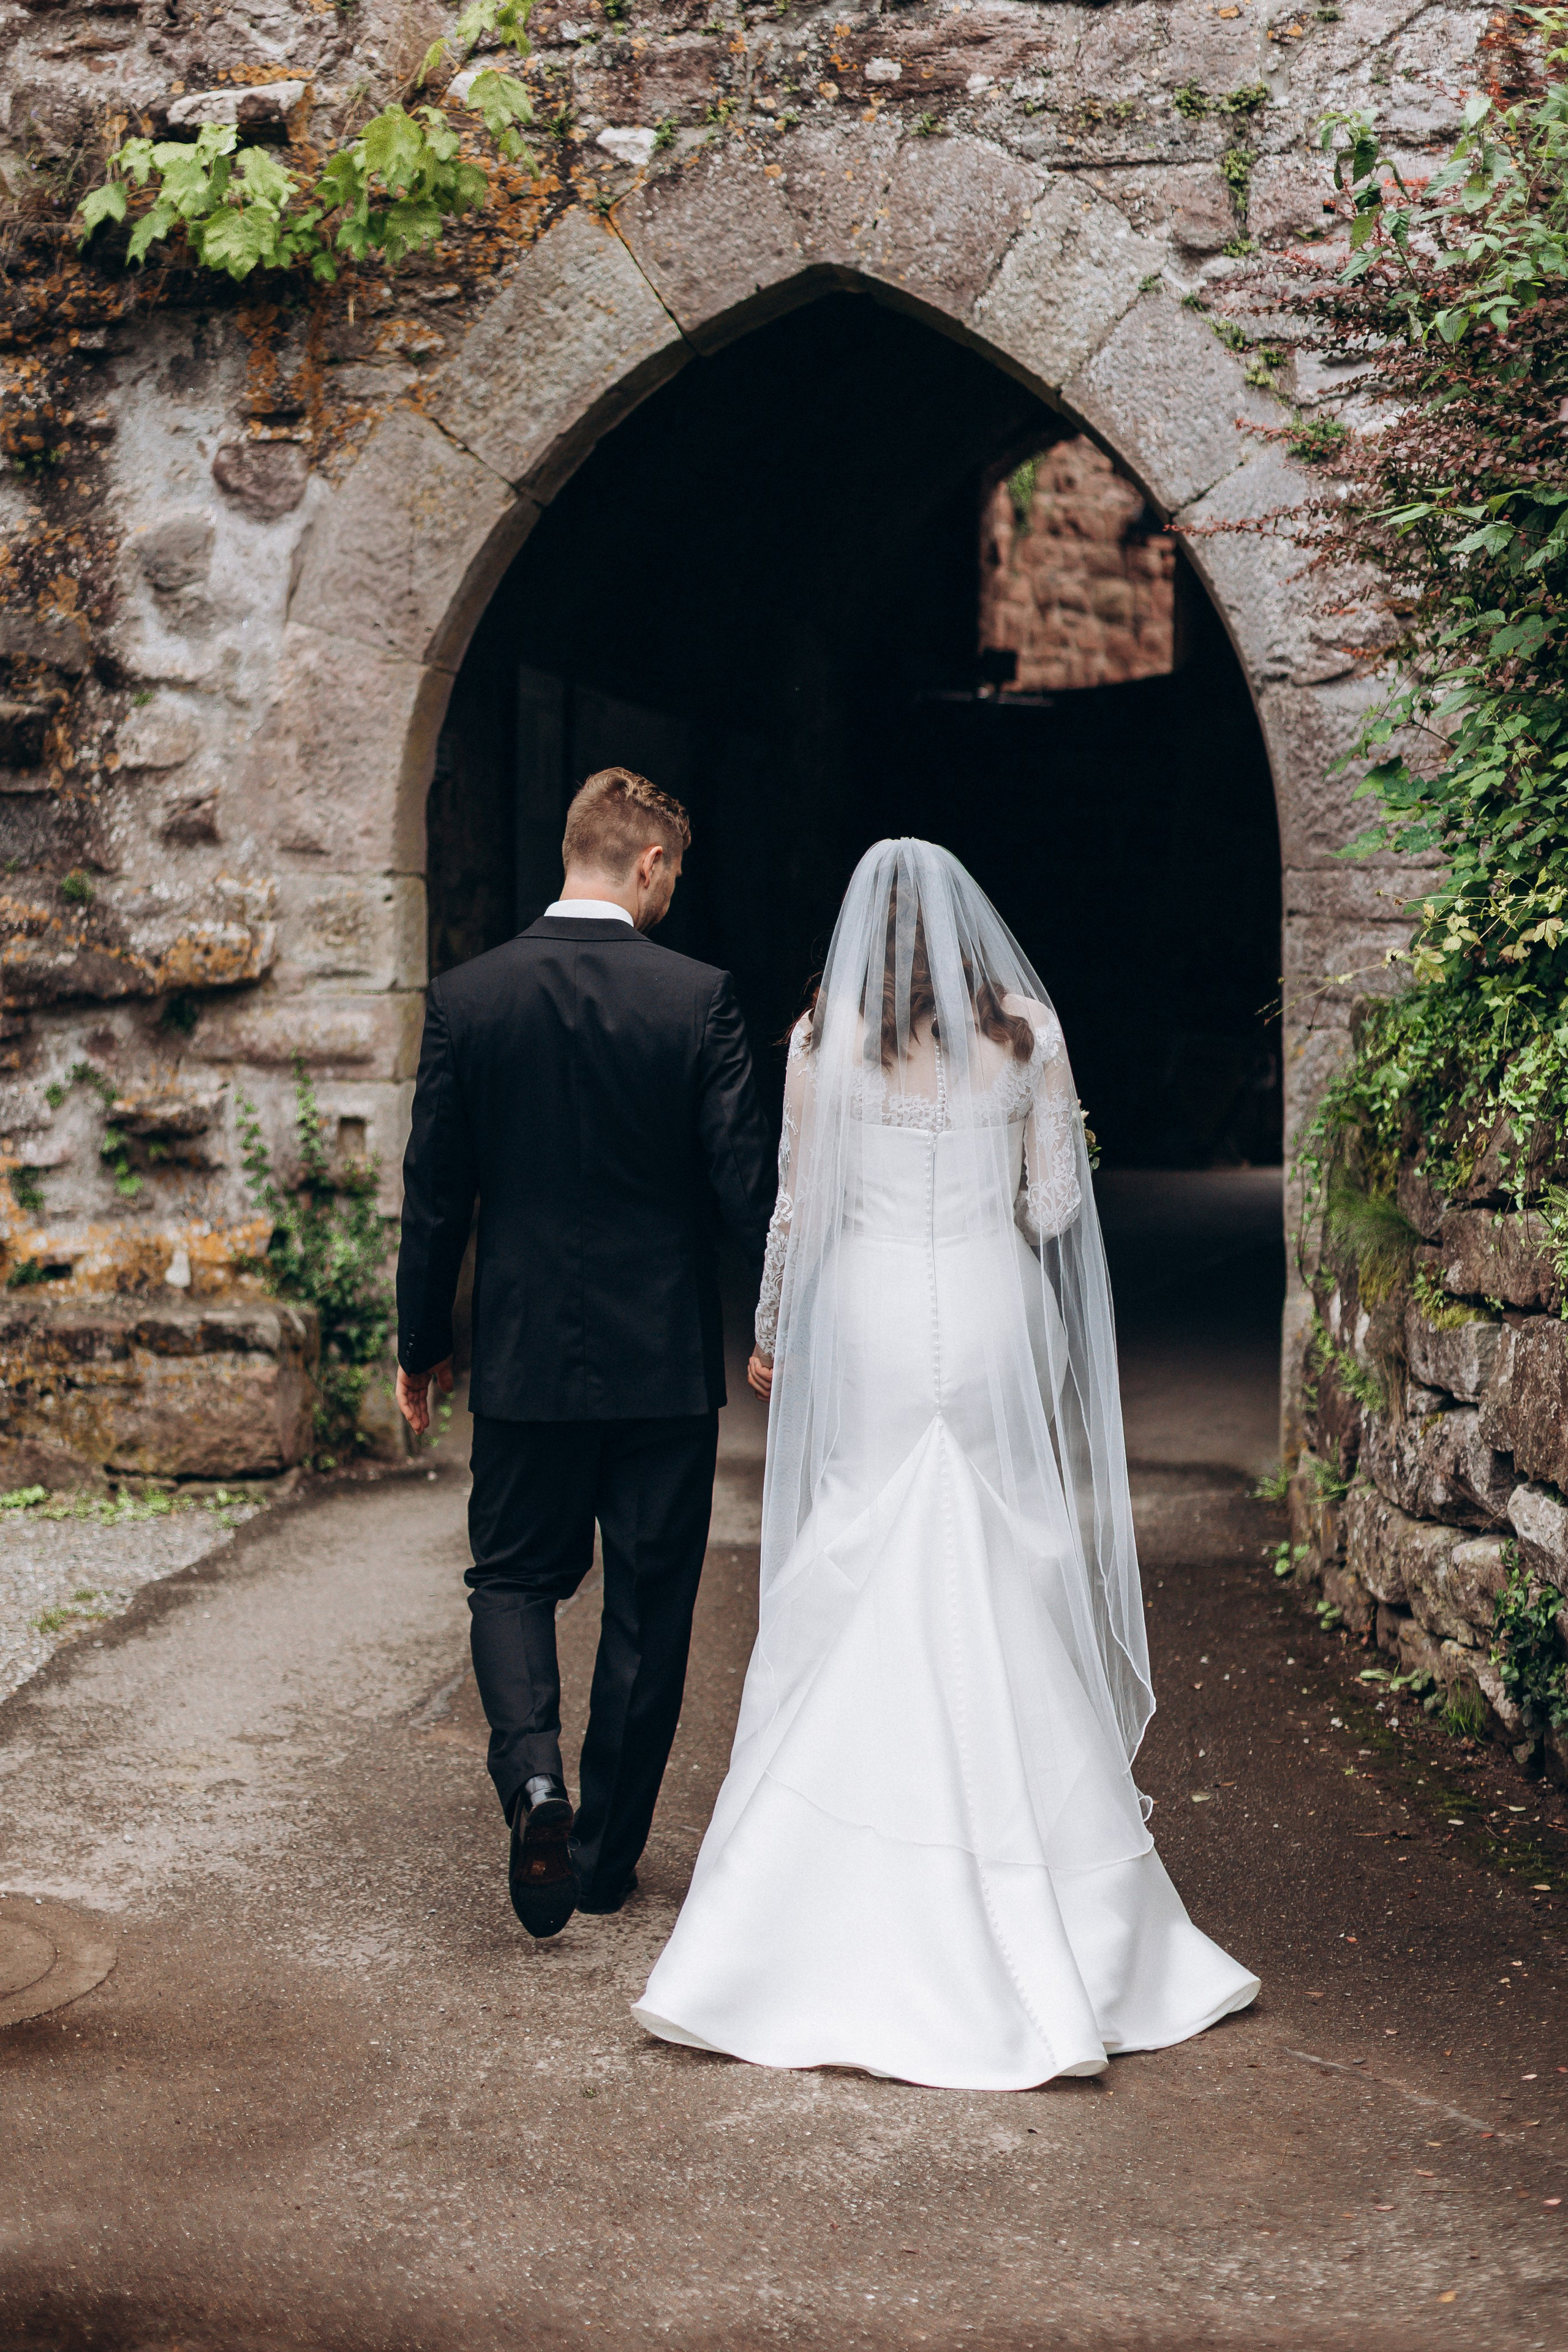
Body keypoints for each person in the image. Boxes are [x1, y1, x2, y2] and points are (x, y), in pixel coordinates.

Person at [633, 838, 1258, 2090]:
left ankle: (818, 1896)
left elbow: (798, 1208)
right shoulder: (1027, 1036)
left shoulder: (824, 1039)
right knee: (998, 1559)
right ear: (969, 934)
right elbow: (1054, 1209)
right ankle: (1052, 1880)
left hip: (867, 1314)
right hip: (984, 1313)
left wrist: (769, 1333)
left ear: (863, 935)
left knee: (858, 1550)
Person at [395, 767, 774, 1939]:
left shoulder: (469, 998)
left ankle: (534, 1782)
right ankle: (602, 1861)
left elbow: (436, 1195)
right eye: (675, 874)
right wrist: (782, 1322)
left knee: (511, 1580)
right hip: (661, 1364)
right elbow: (746, 1192)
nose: (672, 893)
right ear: (650, 862)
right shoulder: (698, 998)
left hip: (523, 1359)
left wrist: (422, 1342)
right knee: (650, 1609)